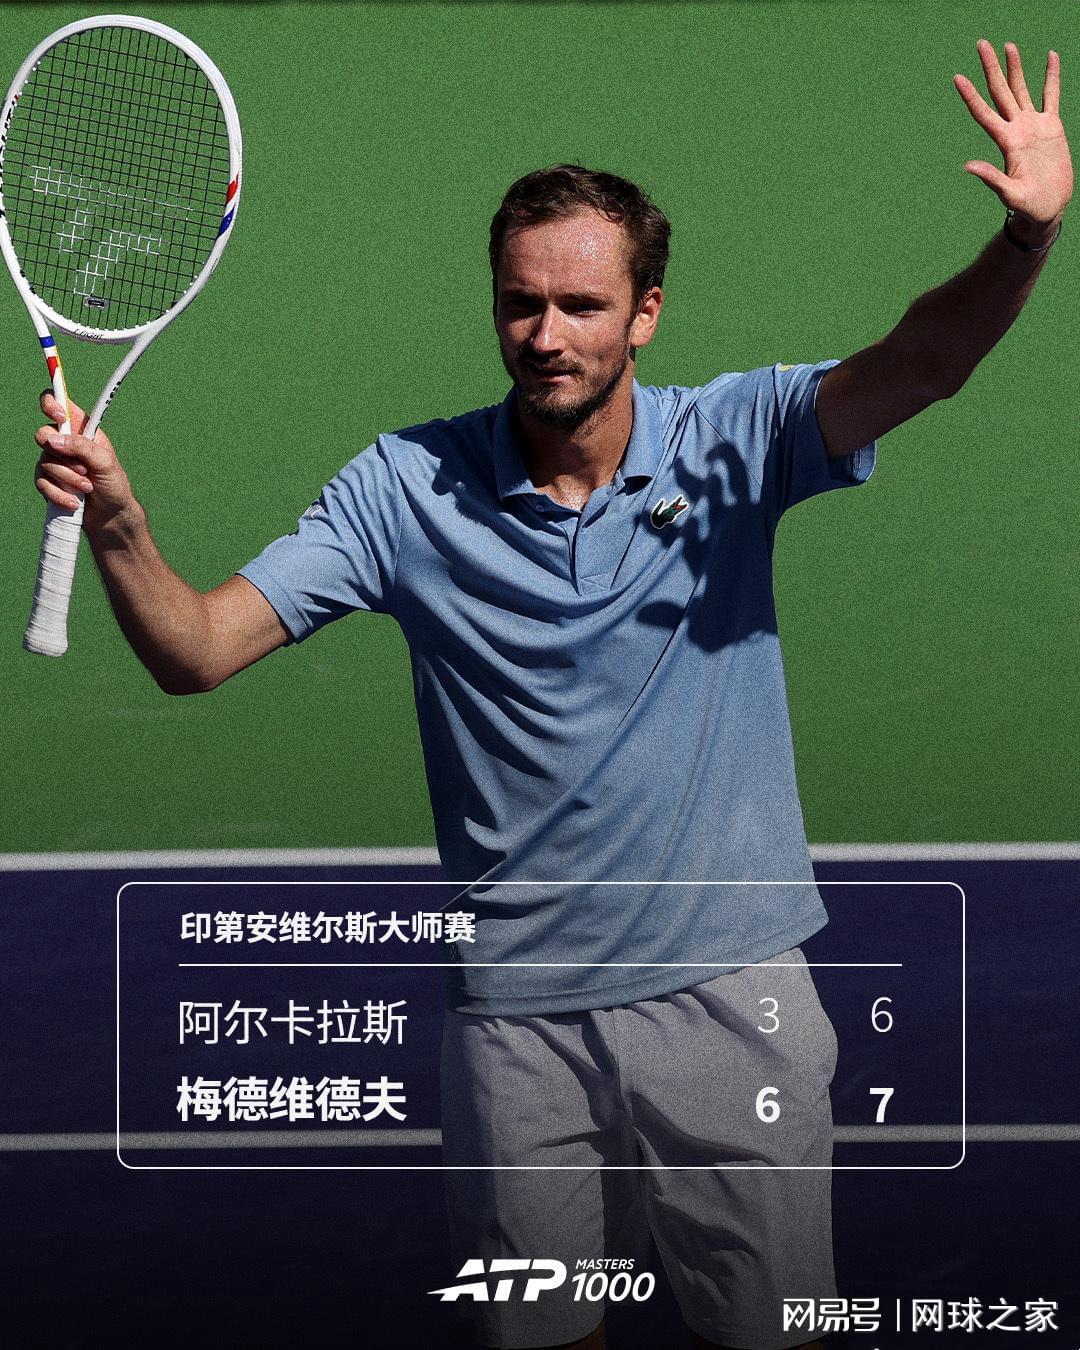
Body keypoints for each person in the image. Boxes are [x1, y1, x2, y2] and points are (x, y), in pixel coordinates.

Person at [34, 39, 1070, 1350]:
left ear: (646, 313)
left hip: (728, 995)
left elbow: (921, 363)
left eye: (582, 305)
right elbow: (197, 647)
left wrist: (1026, 239)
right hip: (515, 1020)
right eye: (521, 303)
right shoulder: (402, 490)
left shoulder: (736, 441)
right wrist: (122, 526)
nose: (546, 334)